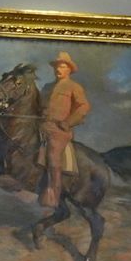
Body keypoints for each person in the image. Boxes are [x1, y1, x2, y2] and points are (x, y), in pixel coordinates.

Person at [40, 51, 90, 208]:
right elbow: (39, 106)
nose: (58, 69)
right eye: (56, 66)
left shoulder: (74, 87)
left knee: (53, 156)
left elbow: (84, 106)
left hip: (59, 130)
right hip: (41, 125)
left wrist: (68, 122)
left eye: (62, 66)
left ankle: (53, 196)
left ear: (69, 69)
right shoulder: (47, 87)